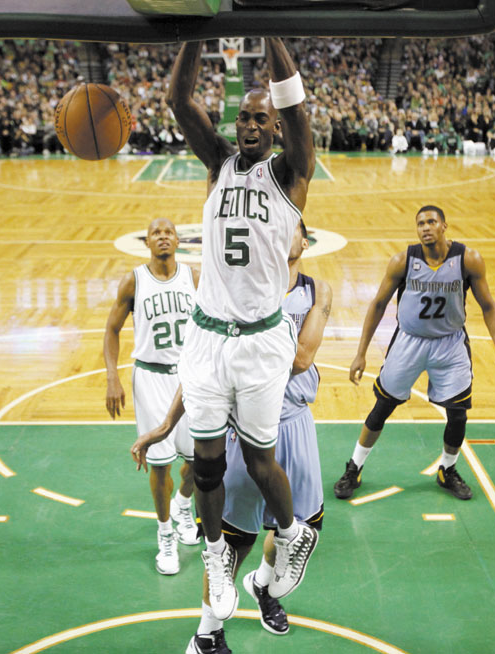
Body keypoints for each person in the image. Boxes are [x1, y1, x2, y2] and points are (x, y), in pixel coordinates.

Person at [164, 37, 318, 626]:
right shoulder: (218, 162)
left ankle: (293, 531)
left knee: (259, 460)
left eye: (262, 117)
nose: (250, 124)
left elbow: (299, 110)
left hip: (260, 338)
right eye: (244, 117)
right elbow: (178, 100)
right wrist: (195, 29)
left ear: (276, 127)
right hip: (206, 337)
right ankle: (214, 553)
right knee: (206, 463)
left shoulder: (294, 173)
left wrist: (270, 28)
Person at [131, 220, 332, 653]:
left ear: (303, 240)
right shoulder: (233, 293)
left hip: (295, 423)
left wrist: (245, 342)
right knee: (229, 547)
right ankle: (207, 633)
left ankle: (262, 587)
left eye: (290, 232)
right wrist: (166, 424)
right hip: (247, 430)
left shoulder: (318, 291)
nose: (282, 239)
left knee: (290, 530)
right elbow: (205, 369)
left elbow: (299, 359)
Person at [334, 205, 495, 501]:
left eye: (431, 222)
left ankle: (447, 470)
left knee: (458, 414)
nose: (425, 227)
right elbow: (378, 304)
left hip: (450, 342)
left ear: (445, 226)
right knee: (383, 406)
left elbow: (488, 307)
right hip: (409, 341)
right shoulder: (402, 261)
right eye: (420, 223)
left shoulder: (468, 259)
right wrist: (361, 353)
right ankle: (354, 467)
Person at [104, 217, 200, 575]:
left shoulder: (194, 277)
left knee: (200, 460)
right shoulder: (134, 279)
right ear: (146, 242)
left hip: (189, 379)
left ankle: (184, 505)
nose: (163, 237)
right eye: (156, 233)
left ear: (178, 241)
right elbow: (111, 330)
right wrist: (112, 376)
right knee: (160, 465)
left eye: (169, 232)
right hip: (150, 377)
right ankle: (165, 536)